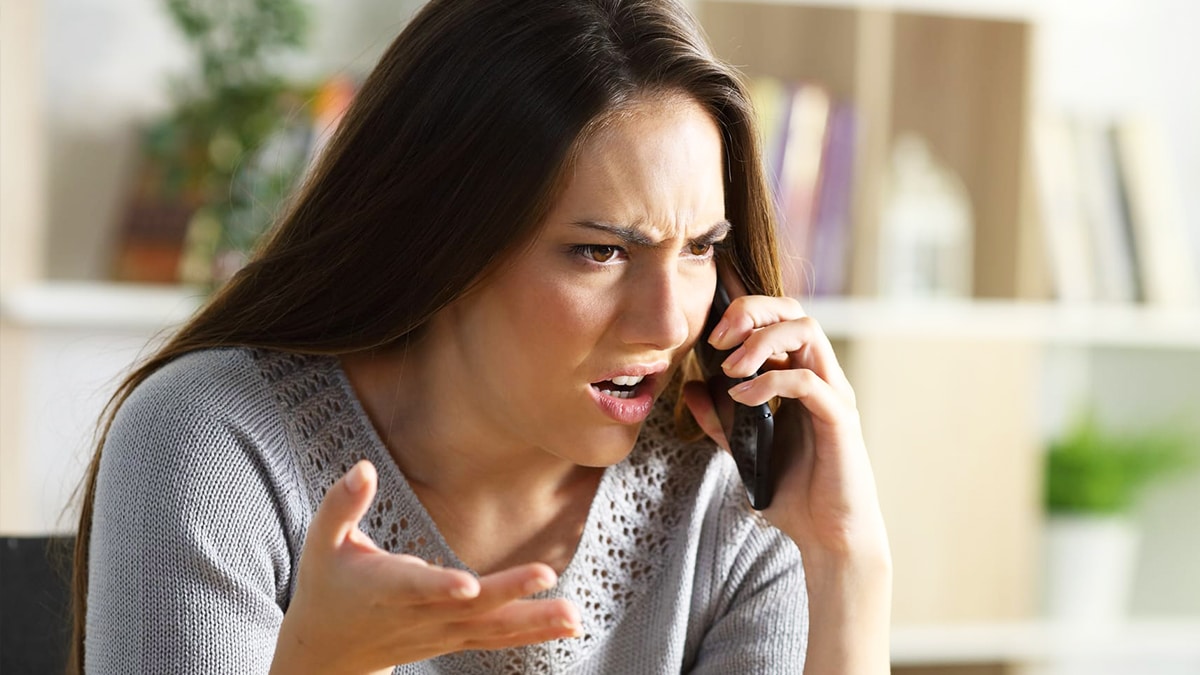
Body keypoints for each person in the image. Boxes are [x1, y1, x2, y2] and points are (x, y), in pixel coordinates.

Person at [70, 0, 892, 672]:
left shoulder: (738, 491)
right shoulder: (216, 442)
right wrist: (322, 666)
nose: (670, 322)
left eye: (701, 249)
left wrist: (847, 563)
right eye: (600, 252)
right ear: (443, 244)